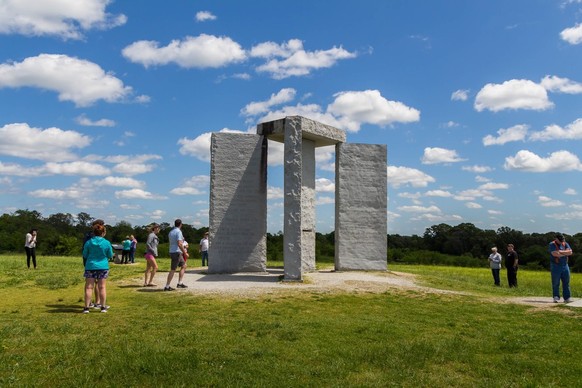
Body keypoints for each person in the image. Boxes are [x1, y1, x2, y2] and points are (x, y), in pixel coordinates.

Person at [82, 223, 113, 313]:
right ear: (103, 233)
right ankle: (102, 307)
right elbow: (110, 255)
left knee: (89, 287)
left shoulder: (88, 242)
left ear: (94, 232)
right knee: (102, 287)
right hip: (103, 266)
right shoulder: (106, 243)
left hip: (90, 266)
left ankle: (86, 308)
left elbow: (85, 254)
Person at [83, 219, 105, 307]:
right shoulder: (97, 236)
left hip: (89, 261)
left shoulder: (88, 235)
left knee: (89, 283)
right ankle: (97, 302)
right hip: (98, 263)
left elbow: (84, 250)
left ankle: (90, 303)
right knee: (97, 283)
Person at [164, 219, 188, 291]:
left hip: (173, 251)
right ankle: (167, 286)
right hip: (176, 252)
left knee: (184, 266)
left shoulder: (171, 232)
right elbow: (179, 243)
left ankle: (180, 283)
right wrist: (185, 252)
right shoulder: (178, 232)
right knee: (173, 269)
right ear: (180, 224)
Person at [549, 233, 573, 303]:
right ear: (556, 239)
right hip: (556, 266)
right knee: (556, 282)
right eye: (560, 240)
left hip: (565, 265)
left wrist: (560, 252)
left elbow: (570, 252)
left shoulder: (565, 243)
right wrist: (565, 253)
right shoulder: (552, 244)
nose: (562, 241)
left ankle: (567, 298)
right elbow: (554, 254)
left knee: (566, 282)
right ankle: (556, 297)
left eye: (562, 240)